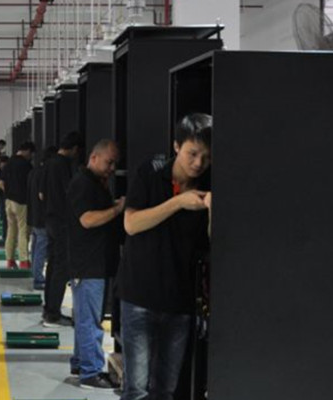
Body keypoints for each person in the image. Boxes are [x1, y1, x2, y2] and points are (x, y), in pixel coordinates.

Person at [119, 114, 213, 400]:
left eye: (206, 157)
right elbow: (131, 224)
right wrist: (178, 202)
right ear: (176, 146)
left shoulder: (210, 183)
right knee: (136, 389)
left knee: (165, 389)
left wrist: (212, 210)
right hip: (139, 297)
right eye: (192, 154)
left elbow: (212, 244)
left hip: (179, 302)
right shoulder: (151, 172)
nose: (198, 163)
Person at [67, 139, 125, 390]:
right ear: (93, 158)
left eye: (114, 164)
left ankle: (81, 363)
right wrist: (117, 210)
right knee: (90, 320)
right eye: (109, 162)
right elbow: (87, 220)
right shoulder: (82, 184)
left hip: (96, 262)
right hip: (88, 263)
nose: (112, 168)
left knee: (86, 317)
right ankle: (90, 372)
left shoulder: (95, 183)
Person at [42, 133, 83, 329]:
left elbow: (42, 193)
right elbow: (70, 192)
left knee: (53, 265)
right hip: (61, 221)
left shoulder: (49, 163)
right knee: (62, 267)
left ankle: (49, 308)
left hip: (50, 219)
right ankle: (53, 314)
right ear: (74, 149)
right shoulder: (64, 165)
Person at [2, 142, 35, 269]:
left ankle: (10, 260)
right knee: (23, 231)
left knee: (11, 230)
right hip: (21, 202)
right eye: (31, 154)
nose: (31, 157)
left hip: (8, 201)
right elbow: (31, 184)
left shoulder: (8, 163)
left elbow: (2, 182)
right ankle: (24, 261)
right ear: (27, 151)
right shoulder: (26, 165)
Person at [27, 146, 56, 290]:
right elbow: (43, 195)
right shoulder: (46, 173)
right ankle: (38, 278)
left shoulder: (34, 171)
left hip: (33, 214)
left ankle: (35, 274)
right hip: (42, 216)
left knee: (35, 245)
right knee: (41, 247)